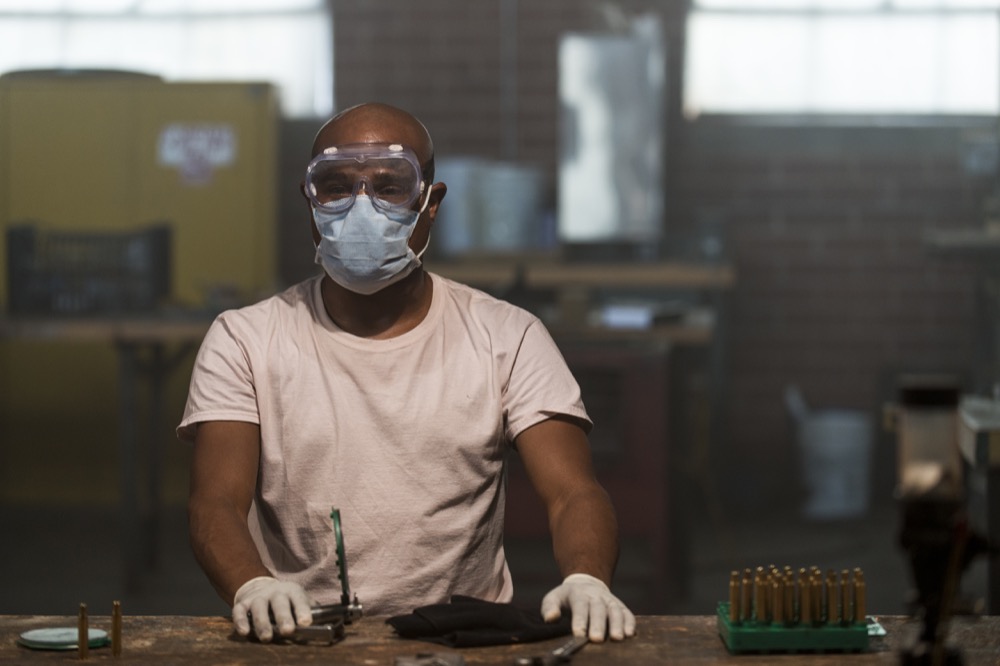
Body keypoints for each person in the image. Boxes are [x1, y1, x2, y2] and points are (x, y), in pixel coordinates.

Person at [178, 102, 636, 645]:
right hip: (304, 636)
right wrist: (251, 586)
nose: (361, 207)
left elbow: (572, 493)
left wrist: (587, 578)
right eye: (336, 185)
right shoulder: (246, 340)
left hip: (462, 637)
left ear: (430, 202)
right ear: (310, 201)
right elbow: (217, 502)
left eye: (390, 186)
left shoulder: (506, 336)